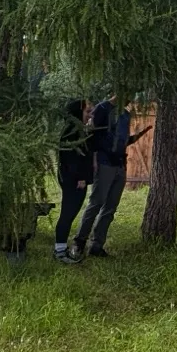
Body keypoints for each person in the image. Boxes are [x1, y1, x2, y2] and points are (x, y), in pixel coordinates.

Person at [73, 95, 147, 259]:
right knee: (96, 203)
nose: (129, 98)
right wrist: (93, 160)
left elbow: (121, 141)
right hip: (104, 163)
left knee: (110, 207)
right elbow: (92, 136)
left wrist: (137, 137)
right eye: (126, 93)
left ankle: (96, 245)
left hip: (120, 165)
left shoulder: (125, 115)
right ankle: (79, 242)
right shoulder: (102, 109)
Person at [53, 99, 91, 263]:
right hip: (73, 179)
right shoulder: (71, 131)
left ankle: (61, 248)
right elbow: (71, 157)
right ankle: (59, 251)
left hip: (76, 179)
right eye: (87, 111)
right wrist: (80, 177)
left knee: (70, 213)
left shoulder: (78, 130)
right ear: (78, 112)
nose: (90, 115)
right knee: (67, 214)